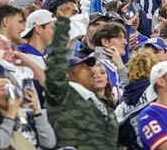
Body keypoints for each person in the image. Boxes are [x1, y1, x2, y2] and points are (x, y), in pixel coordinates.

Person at [45, 9, 121, 149]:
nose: (94, 73)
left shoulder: (114, 61)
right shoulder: (78, 60)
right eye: (96, 24)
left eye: (104, 25)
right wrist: (72, 39)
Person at [0, 74, 56, 149]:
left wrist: (36, 111)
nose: (9, 93)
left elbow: (49, 143)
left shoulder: (29, 116)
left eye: (11, 88)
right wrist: (10, 116)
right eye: (4, 89)